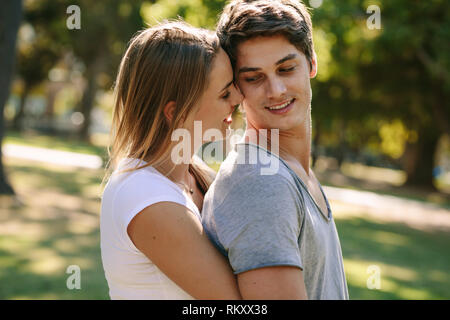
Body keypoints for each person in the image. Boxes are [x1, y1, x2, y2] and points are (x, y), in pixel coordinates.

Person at [202, 0, 349, 299]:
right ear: (235, 87)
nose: (276, 91)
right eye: (254, 78)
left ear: (312, 63)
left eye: (286, 68)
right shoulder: (261, 181)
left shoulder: (288, 170)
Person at [100, 21, 243, 299]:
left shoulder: (194, 174)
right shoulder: (144, 196)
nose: (238, 97)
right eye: (225, 92)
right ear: (176, 113)